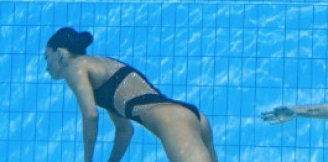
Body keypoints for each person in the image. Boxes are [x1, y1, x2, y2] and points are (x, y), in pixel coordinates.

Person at [45, 27, 218, 162]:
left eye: (47, 57)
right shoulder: (101, 66)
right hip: (190, 116)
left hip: (172, 121)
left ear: (59, 53)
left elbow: (90, 115)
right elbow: (124, 131)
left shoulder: (74, 68)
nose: (47, 67)